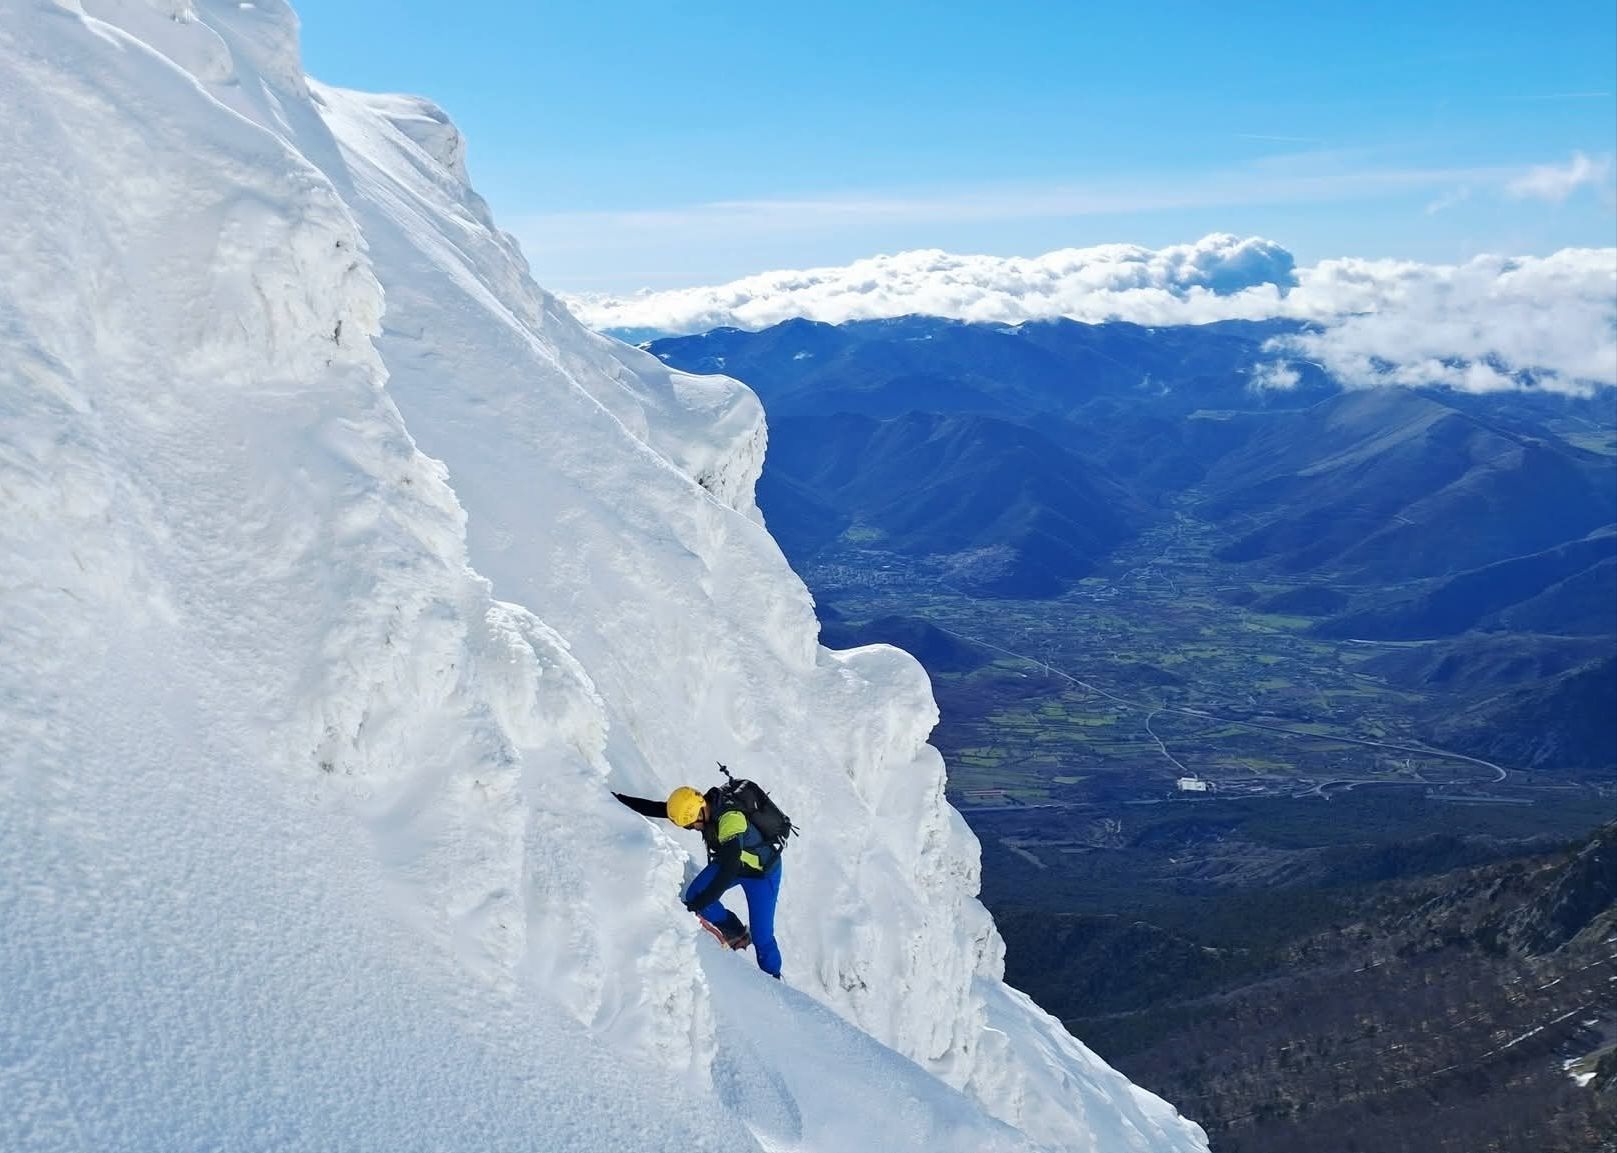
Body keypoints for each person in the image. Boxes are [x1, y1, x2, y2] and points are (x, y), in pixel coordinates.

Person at [613, 783, 784, 978]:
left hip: (762, 873)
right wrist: (616, 799)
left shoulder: (730, 820)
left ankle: (774, 979)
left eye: (690, 825)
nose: (692, 829)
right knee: (696, 893)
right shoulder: (700, 806)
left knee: (763, 936)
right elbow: (659, 808)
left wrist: (695, 906)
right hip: (734, 862)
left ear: (699, 814)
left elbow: (727, 873)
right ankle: (735, 932)